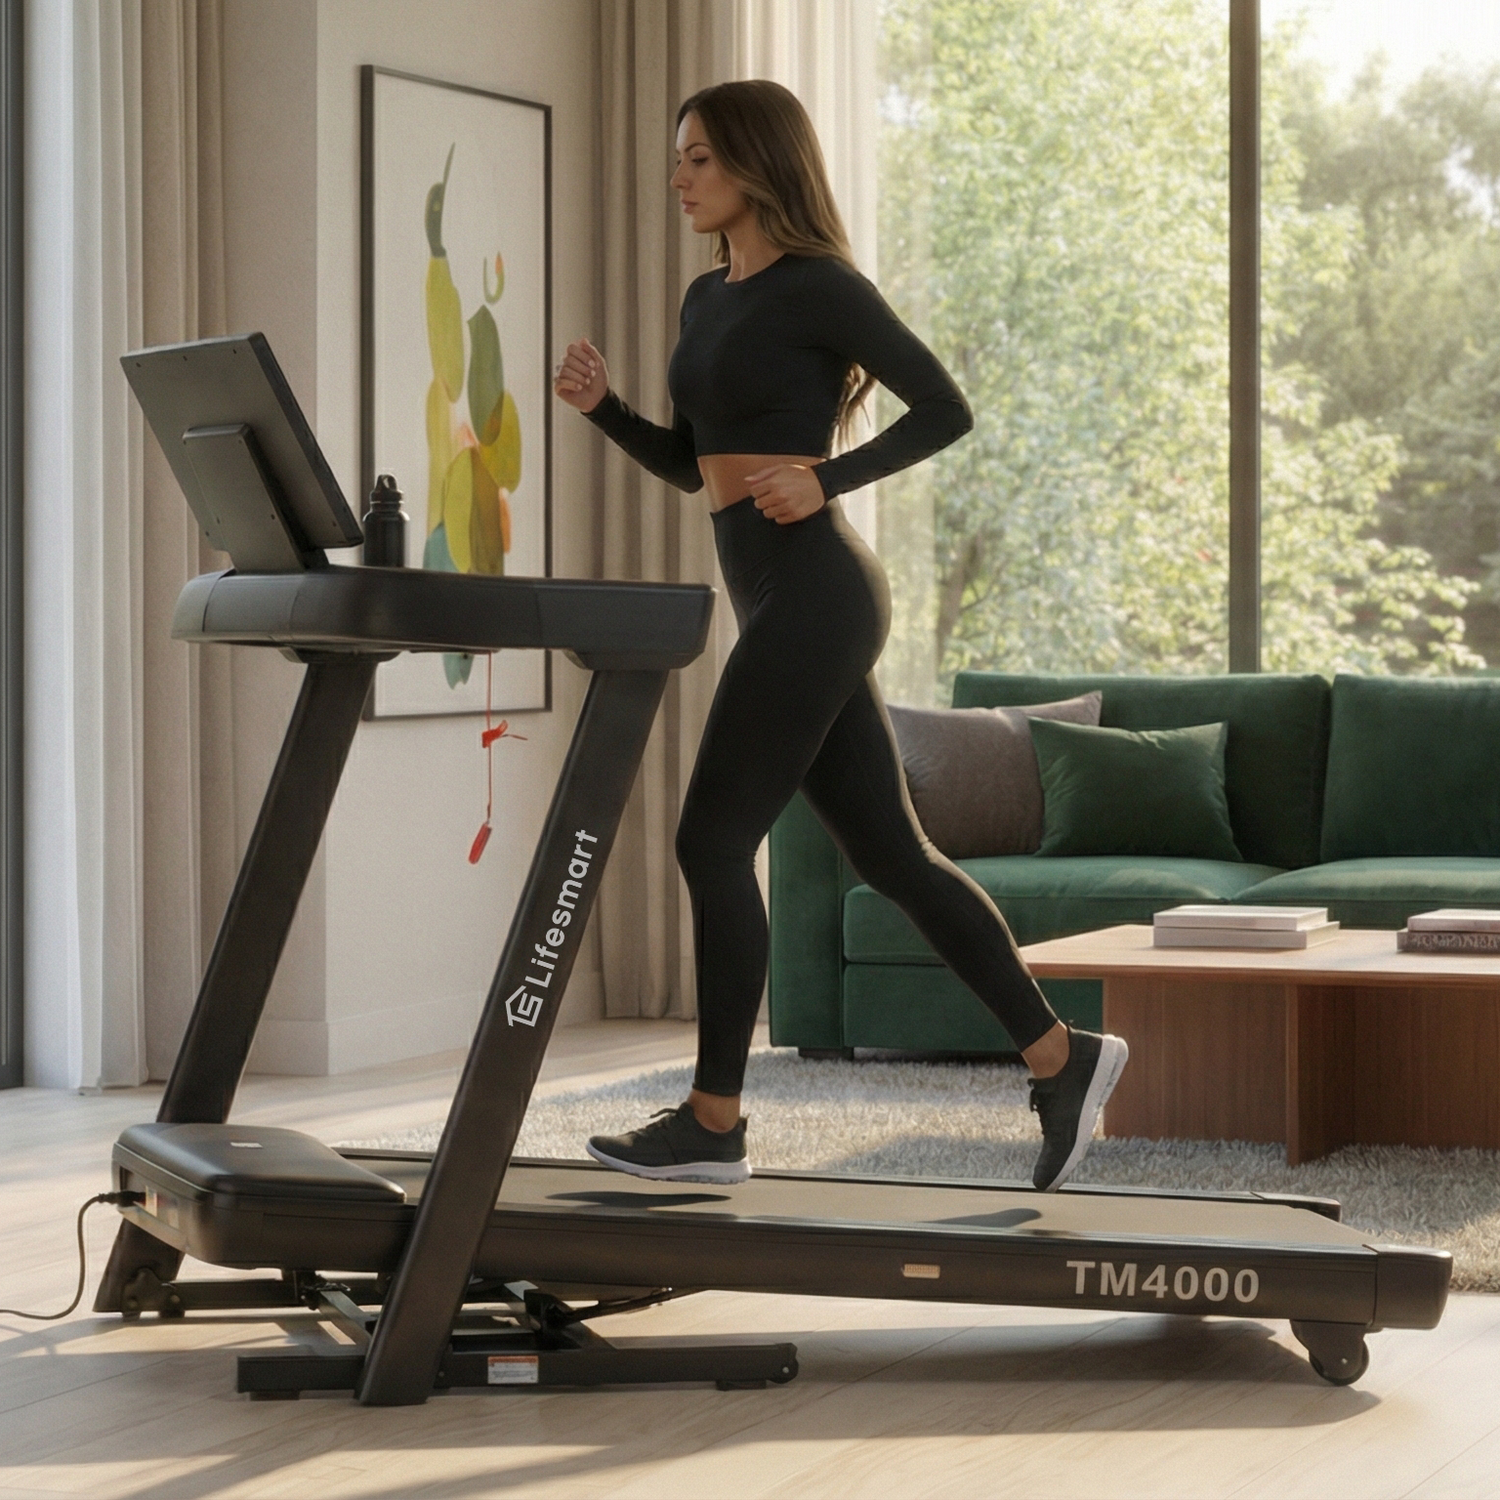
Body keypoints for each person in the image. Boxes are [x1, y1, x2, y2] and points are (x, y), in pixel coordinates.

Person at [553, 79, 1127, 1193]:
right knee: (894, 856)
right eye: (679, 158)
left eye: (701, 159)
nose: (679, 178)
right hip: (775, 592)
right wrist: (605, 410)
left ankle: (714, 1123)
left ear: (758, 163)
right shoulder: (704, 297)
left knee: (711, 842)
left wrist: (829, 478)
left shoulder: (823, 287)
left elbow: (946, 407)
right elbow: (696, 467)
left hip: (819, 590)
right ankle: (1063, 1059)